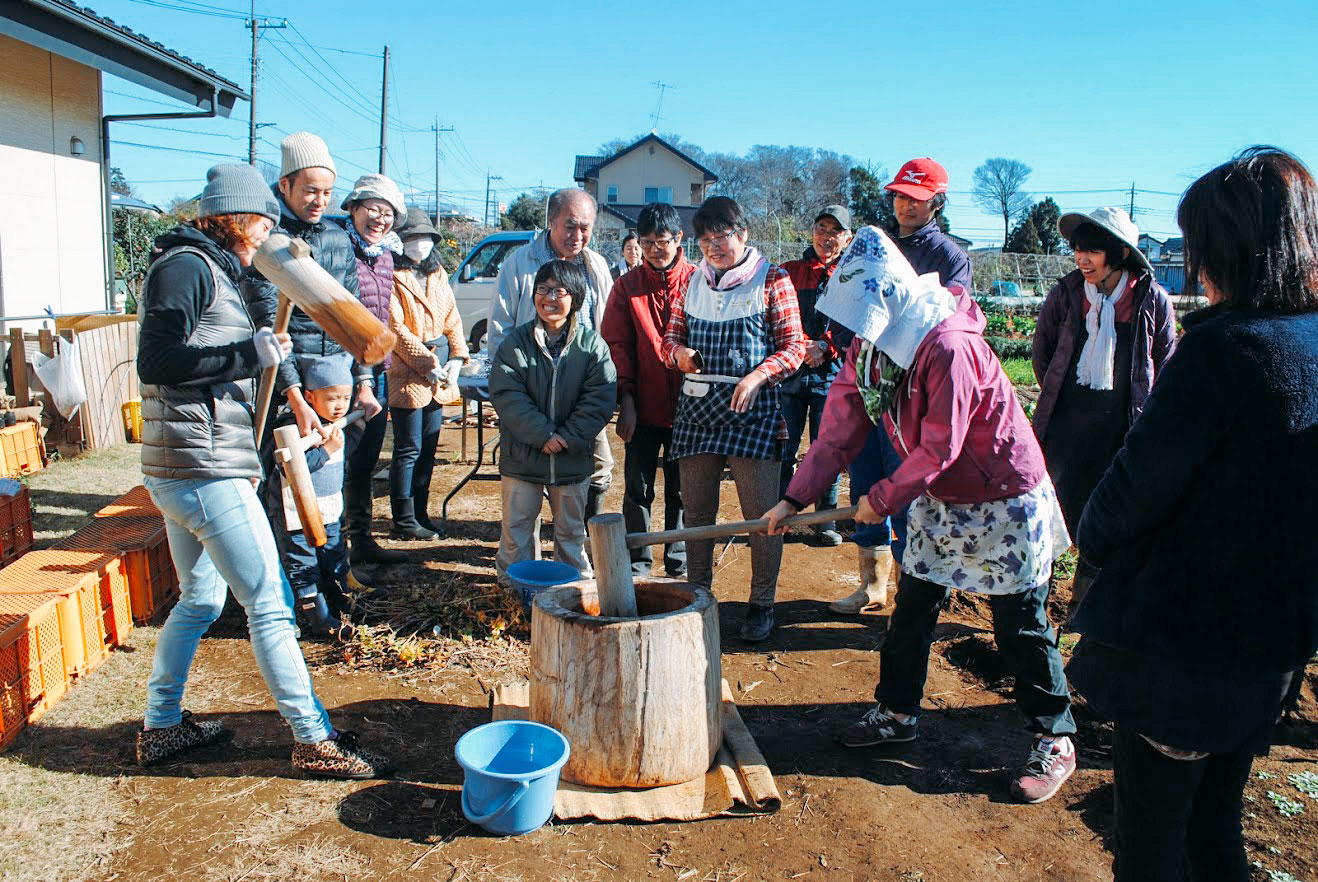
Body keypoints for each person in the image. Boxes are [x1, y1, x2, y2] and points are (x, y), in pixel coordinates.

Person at [1067, 147, 1318, 882]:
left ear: (1229, 250)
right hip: (1270, 644)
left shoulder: (1225, 350)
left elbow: (1123, 500)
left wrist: (1096, 539)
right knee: (1214, 825)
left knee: (1148, 842)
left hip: (1186, 648)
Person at [767, 226, 1076, 804]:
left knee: (1020, 621)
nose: (857, 332)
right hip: (939, 492)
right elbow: (841, 422)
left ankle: (1054, 735)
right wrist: (795, 497)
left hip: (999, 491)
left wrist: (880, 499)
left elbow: (943, 446)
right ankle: (897, 711)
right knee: (913, 608)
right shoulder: (873, 345)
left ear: (889, 298)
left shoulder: (948, 345)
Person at [134, 163, 389, 779]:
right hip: (199, 467)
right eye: (264, 223)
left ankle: (160, 725)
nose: (267, 236)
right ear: (240, 220)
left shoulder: (215, 270)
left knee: (199, 597)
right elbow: (157, 361)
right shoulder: (187, 267)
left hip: (195, 462)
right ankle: (313, 738)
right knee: (269, 603)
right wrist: (247, 353)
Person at [241, 133, 398, 567]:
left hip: (337, 379)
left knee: (333, 477)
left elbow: (354, 313)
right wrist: (294, 396)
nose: (318, 200)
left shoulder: (335, 237)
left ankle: (334, 570)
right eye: (310, 190)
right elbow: (270, 325)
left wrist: (363, 383)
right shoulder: (267, 240)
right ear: (285, 185)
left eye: (327, 193)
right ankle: (289, 578)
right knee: (289, 486)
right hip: (293, 379)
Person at [828, 159, 974, 615]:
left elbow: (949, 324)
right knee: (866, 485)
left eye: (916, 197)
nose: (905, 205)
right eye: (899, 196)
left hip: (912, 395)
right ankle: (872, 586)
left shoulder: (949, 256)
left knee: (910, 492)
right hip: (869, 386)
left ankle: (919, 597)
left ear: (937, 201)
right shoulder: (876, 246)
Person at [661, 196, 806, 642]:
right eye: (705, 240)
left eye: (721, 237)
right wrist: (679, 354)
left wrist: (759, 375)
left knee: (762, 515)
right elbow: (670, 338)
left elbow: (795, 347)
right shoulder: (691, 281)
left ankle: (762, 604)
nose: (713, 247)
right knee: (698, 513)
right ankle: (699, 597)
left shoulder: (773, 279)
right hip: (698, 409)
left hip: (754, 411)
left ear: (741, 233)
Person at [1032, 207, 1176, 548]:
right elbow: (1043, 352)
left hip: (1120, 428)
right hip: (1066, 423)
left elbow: (1165, 361)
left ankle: (1086, 591)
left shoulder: (1150, 300)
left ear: (1121, 253)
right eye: (1079, 250)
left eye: (1093, 251)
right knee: (1050, 510)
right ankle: (1041, 588)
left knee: (1106, 512)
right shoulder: (1066, 294)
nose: (1082, 259)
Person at [488, 188, 615, 520]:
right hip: (531, 387)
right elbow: (500, 331)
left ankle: (582, 533)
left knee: (598, 466)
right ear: (550, 222)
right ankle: (521, 557)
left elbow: (608, 327)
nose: (577, 236)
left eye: (585, 227)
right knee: (527, 471)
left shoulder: (596, 264)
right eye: (569, 226)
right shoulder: (519, 263)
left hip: (581, 385)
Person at [488, 260, 617, 584]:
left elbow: (600, 397)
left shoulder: (592, 347)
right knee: (516, 535)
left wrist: (568, 437)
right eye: (543, 289)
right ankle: (513, 595)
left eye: (559, 290)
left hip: (571, 459)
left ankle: (574, 597)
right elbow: (506, 394)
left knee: (571, 536)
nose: (549, 297)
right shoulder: (515, 343)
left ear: (575, 297)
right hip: (523, 459)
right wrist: (542, 434)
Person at [600, 203, 694, 578]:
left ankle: (680, 557)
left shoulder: (700, 281)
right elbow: (616, 345)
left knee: (683, 490)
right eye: (648, 242)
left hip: (691, 410)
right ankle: (638, 558)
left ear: (680, 239)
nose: (656, 249)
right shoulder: (626, 287)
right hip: (642, 405)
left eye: (663, 241)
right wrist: (626, 399)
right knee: (637, 488)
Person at [340, 175, 423, 540]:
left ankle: (361, 537)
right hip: (342, 368)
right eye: (372, 208)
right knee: (339, 459)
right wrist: (360, 377)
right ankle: (334, 542)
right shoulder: (339, 247)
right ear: (353, 208)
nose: (379, 218)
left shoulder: (387, 255)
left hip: (379, 366)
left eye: (387, 212)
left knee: (368, 457)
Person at [262, 353, 355, 640]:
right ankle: (317, 616)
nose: (339, 405)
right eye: (331, 398)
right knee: (303, 563)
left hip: (328, 510)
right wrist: (325, 451)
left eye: (345, 397)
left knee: (334, 555)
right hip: (294, 513)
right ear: (309, 397)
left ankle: (342, 604)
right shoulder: (290, 427)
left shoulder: (336, 426)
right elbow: (291, 470)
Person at [779, 205, 854, 548]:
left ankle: (825, 520)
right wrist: (799, 348)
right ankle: (780, 516)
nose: (827, 236)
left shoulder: (852, 276)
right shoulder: (790, 272)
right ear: (812, 232)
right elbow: (778, 314)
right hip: (792, 373)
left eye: (835, 231)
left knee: (826, 447)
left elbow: (852, 324)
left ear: (847, 238)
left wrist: (825, 347)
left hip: (833, 374)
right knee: (784, 445)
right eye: (821, 228)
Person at [390, 207, 468, 535]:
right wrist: (429, 364)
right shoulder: (393, 275)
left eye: (423, 238)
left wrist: (458, 357)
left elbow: (452, 317)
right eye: (411, 238)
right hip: (408, 371)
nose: (418, 243)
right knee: (408, 448)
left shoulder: (437, 274)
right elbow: (395, 328)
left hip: (439, 374)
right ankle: (404, 519)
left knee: (430, 446)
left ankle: (420, 512)